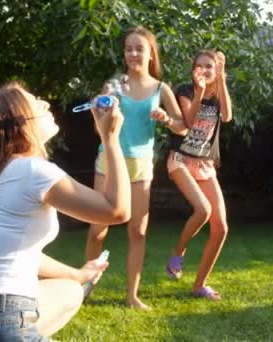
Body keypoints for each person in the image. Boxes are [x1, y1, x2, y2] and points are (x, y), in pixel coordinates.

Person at [0, 82, 131, 341]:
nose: (46, 104)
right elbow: (117, 211)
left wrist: (79, 274)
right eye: (37, 102)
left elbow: (23, 255)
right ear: (20, 124)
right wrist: (111, 139)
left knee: (71, 290)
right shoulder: (32, 172)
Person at [85, 26, 187, 310]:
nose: (133, 53)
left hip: (141, 164)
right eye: (128, 48)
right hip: (109, 159)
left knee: (138, 232)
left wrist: (166, 118)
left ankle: (132, 296)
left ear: (150, 52)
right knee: (98, 231)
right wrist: (100, 111)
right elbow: (99, 126)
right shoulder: (114, 85)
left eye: (139, 48)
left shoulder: (160, 88)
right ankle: (87, 287)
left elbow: (182, 127)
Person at [164, 49, 233, 301]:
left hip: (204, 164)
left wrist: (221, 78)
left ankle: (199, 285)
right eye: (200, 65)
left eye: (210, 66)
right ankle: (178, 252)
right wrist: (201, 92)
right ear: (193, 69)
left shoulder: (219, 94)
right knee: (202, 210)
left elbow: (227, 116)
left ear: (216, 71)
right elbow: (188, 123)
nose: (204, 70)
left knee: (221, 228)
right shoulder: (184, 90)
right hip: (181, 159)